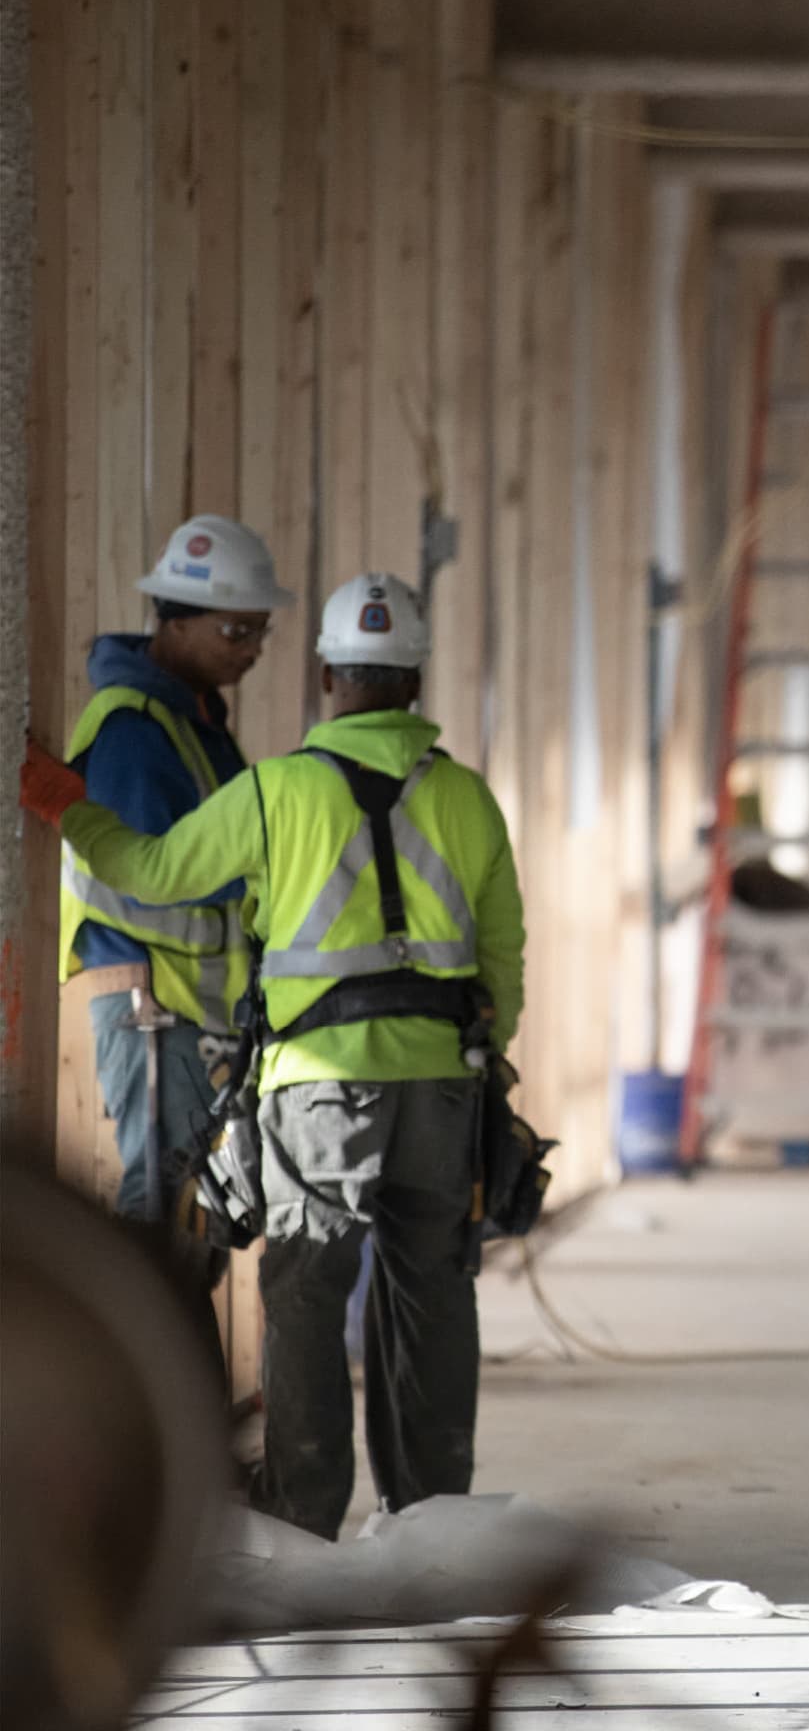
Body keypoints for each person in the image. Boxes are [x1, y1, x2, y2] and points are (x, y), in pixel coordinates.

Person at [23, 573, 526, 1541]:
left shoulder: (275, 788)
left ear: (329, 674)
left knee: (304, 1294)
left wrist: (65, 803)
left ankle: (303, 1515)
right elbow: (503, 954)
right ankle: (434, 1517)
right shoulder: (468, 798)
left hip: (316, 1091)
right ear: (414, 679)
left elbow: (152, 870)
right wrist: (480, 1064)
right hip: (439, 1083)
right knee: (431, 1288)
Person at [57, 515, 290, 1231]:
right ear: (177, 623)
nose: (251, 650)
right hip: (151, 1004)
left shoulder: (194, 724)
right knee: (157, 1209)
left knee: (197, 1216)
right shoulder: (133, 729)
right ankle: (116, 1348)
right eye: (235, 632)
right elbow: (154, 870)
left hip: (191, 1009)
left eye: (259, 632)